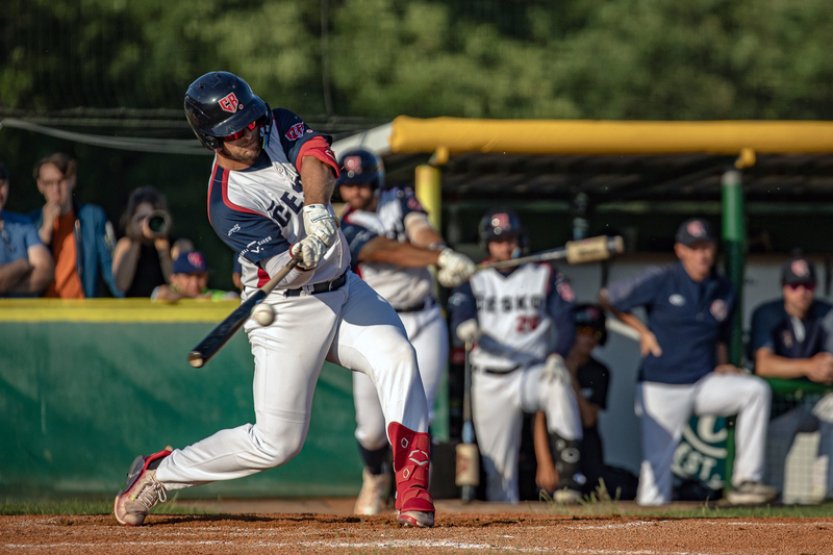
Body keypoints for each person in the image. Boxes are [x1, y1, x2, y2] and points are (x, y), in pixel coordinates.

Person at [113, 71, 456, 528]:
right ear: (212, 140)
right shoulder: (226, 203)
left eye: (250, 122)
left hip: (345, 289)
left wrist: (315, 211)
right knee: (276, 443)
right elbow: (280, 270)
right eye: (235, 133)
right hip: (286, 307)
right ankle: (161, 473)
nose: (249, 134)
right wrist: (302, 254)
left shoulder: (274, 124)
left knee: (397, 354)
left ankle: (412, 491)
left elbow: (315, 158)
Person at [600, 217, 776, 506]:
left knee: (754, 390)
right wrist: (643, 333)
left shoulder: (722, 287)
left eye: (707, 247)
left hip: (703, 380)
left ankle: (747, 480)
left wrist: (722, 363)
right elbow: (609, 297)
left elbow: (719, 334)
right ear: (680, 250)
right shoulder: (662, 278)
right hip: (662, 383)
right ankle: (646, 539)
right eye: (694, 248)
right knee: (656, 472)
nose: (702, 254)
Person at [337, 147, 475, 515]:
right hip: (374, 323)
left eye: (363, 185)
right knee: (370, 429)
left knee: (416, 409)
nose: (356, 193)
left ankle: (410, 491)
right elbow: (384, 251)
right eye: (349, 187)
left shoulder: (398, 200)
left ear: (376, 181)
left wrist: (441, 249)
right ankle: (374, 476)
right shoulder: (341, 224)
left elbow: (421, 230)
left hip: (423, 319)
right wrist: (438, 259)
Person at [447, 208, 584, 504]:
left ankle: (568, 477)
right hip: (490, 376)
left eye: (511, 239)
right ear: (488, 244)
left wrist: (558, 355)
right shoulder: (475, 276)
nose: (506, 246)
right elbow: (459, 315)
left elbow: (565, 321)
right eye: (498, 241)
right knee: (498, 473)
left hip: (532, 370)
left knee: (558, 386)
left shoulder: (543, 273)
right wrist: (465, 327)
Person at [749, 254, 833, 501]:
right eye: (794, 286)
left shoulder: (825, 313)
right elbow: (764, 364)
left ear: (815, 288)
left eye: (807, 286)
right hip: (777, 408)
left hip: (814, 403)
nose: (801, 293)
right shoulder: (767, 314)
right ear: (784, 287)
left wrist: (821, 367)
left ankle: (826, 492)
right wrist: (807, 366)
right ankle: (774, 504)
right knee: (773, 488)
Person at [533, 303, 611, 497]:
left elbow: (589, 419)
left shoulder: (600, 371)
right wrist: (544, 463)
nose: (590, 338)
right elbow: (539, 418)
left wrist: (572, 378)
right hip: (554, 448)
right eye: (584, 331)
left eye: (596, 334)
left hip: (587, 450)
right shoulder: (550, 366)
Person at [29, 153, 121, 298]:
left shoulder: (92, 218)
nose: (55, 189)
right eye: (48, 183)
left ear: (72, 180)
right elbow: (26, 275)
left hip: (82, 311)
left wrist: (127, 301)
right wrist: (45, 231)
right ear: (40, 185)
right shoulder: (28, 223)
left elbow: (110, 266)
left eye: (61, 181)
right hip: (43, 312)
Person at [0, 162, 54, 297]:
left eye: (1, 185)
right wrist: (22, 265)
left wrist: (6, 287)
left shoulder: (23, 224)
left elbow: (46, 270)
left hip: (21, 316)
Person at [112, 186, 174, 297]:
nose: (146, 223)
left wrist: (163, 252)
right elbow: (121, 285)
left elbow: (177, 285)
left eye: (152, 218)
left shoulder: (173, 246)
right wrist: (135, 242)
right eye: (141, 218)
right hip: (134, 311)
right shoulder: (125, 245)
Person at [151, 250, 238, 302]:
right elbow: (161, 294)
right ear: (174, 279)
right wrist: (195, 298)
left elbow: (233, 298)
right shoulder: (168, 292)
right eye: (188, 276)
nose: (194, 282)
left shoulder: (212, 295)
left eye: (199, 276)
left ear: (206, 277)